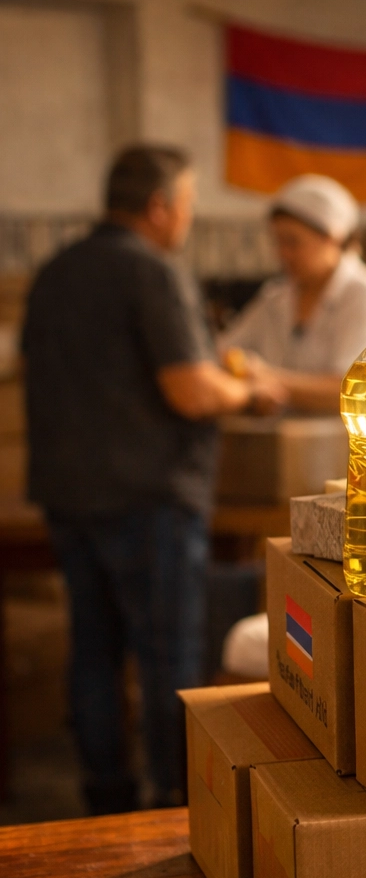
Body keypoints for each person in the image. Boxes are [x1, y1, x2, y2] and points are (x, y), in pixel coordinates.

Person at [21, 145, 285, 814]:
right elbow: (191, 390)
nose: (189, 218)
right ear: (160, 206)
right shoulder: (152, 271)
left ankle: (105, 799)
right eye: (189, 204)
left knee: (93, 651)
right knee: (169, 654)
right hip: (147, 498)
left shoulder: (55, 272)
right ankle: (175, 801)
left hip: (68, 493)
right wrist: (249, 393)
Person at [219, 174, 366, 412]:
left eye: (293, 242)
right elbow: (223, 351)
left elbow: (357, 388)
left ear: (331, 238)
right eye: (278, 242)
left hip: (349, 435)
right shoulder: (276, 298)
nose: (282, 253)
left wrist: (269, 377)